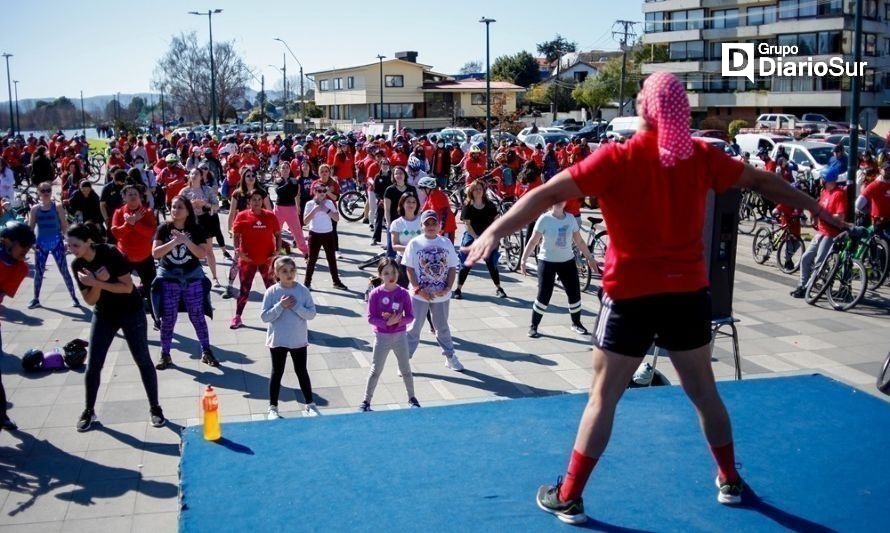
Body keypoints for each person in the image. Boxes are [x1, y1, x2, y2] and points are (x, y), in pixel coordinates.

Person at [463, 72, 843, 524]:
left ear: (643, 108)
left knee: (603, 398)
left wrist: (490, 231)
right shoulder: (702, 157)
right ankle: (729, 480)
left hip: (630, 297)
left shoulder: (615, 159)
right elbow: (763, 182)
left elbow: (543, 195)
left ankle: (570, 495)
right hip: (688, 294)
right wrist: (817, 207)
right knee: (704, 392)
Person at [67, 223, 166, 432]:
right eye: (69, 245)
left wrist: (99, 282)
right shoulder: (77, 265)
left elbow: (127, 287)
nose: (71, 249)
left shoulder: (110, 253)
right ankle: (89, 410)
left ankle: (155, 408)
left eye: (75, 245)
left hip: (131, 311)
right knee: (94, 364)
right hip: (104, 314)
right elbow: (90, 300)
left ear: (88, 242)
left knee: (143, 360)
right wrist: (95, 283)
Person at [151, 196, 217, 370]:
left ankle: (206, 350)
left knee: (197, 315)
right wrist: (174, 242)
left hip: (191, 277)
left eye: (180, 207)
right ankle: (165, 354)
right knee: (168, 317)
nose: (175, 210)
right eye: (173, 207)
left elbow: (202, 253)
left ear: (188, 210)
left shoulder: (195, 229)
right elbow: (155, 253)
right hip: (169, 277)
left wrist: (186, 241)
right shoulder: (164, 228)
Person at [519, 200, 596, 338]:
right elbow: (533, 240)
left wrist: (590, 258)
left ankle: (576, 323)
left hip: (567, 261)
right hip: (547, 261)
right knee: (544, 295)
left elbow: (579, 241)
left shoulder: (571, 219)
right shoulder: (545, 219)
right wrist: (523, 260)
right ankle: (533, 326)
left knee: (574, 293)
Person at [403, 210, 463, 372]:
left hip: (441, 295)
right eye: (427, 223)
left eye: (434, 223)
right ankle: (405, 361)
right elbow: (409, 268)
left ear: (439, 225)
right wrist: (417, 288)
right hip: (419, 295)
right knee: (414, 328)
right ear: (421, 226)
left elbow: (451, 267)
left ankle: (450, 357)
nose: (430, 226)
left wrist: (448, 287)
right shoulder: (415, 243)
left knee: (442, 327)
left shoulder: (446, 243)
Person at [261, 256, 319, 419]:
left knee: (301, 371)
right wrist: (280, 306)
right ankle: (273, 407)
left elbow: (311, 314)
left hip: (298, 340)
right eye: (284, 271)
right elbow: (265, 317)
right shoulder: (272, 292)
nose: (289, 274)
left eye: (292, 270)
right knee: (277, 372)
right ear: (276, 273)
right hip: (278, 340)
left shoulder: (302, 290)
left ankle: (310, 404)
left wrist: (296, 306)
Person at [360, 258, 419, 412]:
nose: (390, 275)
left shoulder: (404, 293)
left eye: (393, 272)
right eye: (386, 273)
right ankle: (366, 401)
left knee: (405, 369)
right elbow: (370, 318)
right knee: (375, 370)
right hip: (382, 337)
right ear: (380, 275)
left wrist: (398, 321)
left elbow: (411, 316)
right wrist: (386, 323)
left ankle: (412, 398)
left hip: (400, 336)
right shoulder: (375, 294)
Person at [790, 165, 848, 298]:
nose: (820, 180)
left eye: (822, 178)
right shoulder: (824, 192)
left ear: (827, 179)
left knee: (819, 262)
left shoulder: (839, 194)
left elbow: (840, 217)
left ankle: (807, 288)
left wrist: (823, 215)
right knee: (805, 258)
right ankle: (802, 285)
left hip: (831, 234)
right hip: (821, 231)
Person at [0, 222, 35, 431]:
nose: (26, 252)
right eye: (23, 246)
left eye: (29, 248)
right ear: (7, 242)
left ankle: (1, 415)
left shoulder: (21, 268)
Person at [229, 189, 281, 329]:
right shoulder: (241, 216)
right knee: (244, 290)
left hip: (267, 260)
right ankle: (237, 317)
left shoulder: (270, 216)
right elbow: (236, 235)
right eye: (254, 199)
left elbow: (278, 234)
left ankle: (278, 315)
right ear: (249, 202)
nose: (257, 202)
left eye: (259, 199)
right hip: (248, 260)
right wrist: (238, 251)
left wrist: (277, 251)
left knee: (272, 289)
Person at [27, 183, 79, 308]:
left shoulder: (57, 207)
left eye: (48, 190)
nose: (46, 192)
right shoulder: (35, 209)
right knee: (39, 272)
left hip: (57, 243)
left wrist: (67, 241)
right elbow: (31, 228)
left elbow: (64, 225)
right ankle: (36, 299)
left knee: (64, 271)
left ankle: (74, 298)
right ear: (38, 192)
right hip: (41, 244)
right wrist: (31, 243)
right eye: (43, 190)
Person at [454, 180, 507, 300]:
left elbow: (497, 220)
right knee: (466, 262)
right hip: (472, 235)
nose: (478, 191)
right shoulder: (468, 206)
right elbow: (467, 224)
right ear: (471, 191)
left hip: (487, 235)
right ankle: (458, 289)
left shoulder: (490, 205)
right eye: (475, 189)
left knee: (491, 262)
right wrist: (476, 238)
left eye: (480, 189)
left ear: (484, 191)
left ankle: (499, 288)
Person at [111, 185, 158, 315]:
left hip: (145, 256)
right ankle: (119, 314)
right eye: (129, 194)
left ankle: (156, 317)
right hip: (125, 257)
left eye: (135, 194)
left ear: (140, 197)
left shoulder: (147, 212)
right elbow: (116, 233)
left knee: (151, 288)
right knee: (120, 287)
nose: (133, 197)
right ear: (124, 197)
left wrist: (135, 223)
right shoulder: (119, 213)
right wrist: (128, 224)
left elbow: (150, 233)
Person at [302, 182, 348, 291]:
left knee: (331, 259)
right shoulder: (309, 204)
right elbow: (305, 221)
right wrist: (316, 210)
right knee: (312, 259)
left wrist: (326, 210)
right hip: (314, 234)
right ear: (314, 192)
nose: (322, 193)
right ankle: (307, 283)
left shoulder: (329, 203)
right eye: (319, 191)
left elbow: (336, 218)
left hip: (328, 234)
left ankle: (336, 282)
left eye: (324, 191)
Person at [273, 161, 309, 257]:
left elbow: (294, 194)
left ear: (290, 170)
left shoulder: (294, 181)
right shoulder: (277, 180)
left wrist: (298, 206)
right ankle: (273, 249)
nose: (285, 169)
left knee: (297, 232)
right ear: (280, 170)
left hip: (291, 208)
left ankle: (305, 251)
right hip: (279, 209)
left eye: (287, 168)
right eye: (283, 168)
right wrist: (288, 184)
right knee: (275, 231)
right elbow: (279, 192)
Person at [418, 176, 456, 242]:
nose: (422, 191)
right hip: (437, 224)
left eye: (422, 189)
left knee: (446, 244)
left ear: (428, 188)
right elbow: (424, 210)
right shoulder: (430, 196)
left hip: (446, 225)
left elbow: (445, 211)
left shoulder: (439, 195)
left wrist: (442, 226)